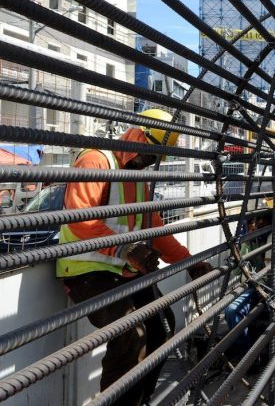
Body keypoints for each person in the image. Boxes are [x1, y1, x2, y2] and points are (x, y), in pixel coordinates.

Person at [56, 109, 212, 406]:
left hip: (124, 269)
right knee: (130, 331)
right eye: (149, 155)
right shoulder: (96, 161)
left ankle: (138, 400)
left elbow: (154, 226)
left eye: (155, 158)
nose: (149, 162)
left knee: (162, 325)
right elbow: (80, 220)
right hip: (87, 272)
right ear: (138, 137)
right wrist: (126, 249)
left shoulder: (138, 177)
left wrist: (189, 262)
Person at [224, 213, 275, 360]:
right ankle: (247, 357)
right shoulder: (248, 241)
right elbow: (236, 271)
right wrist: (244, 244)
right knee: (231, 311)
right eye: (251, 222)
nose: (255, 224)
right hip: (255, 287)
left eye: (260, 219)